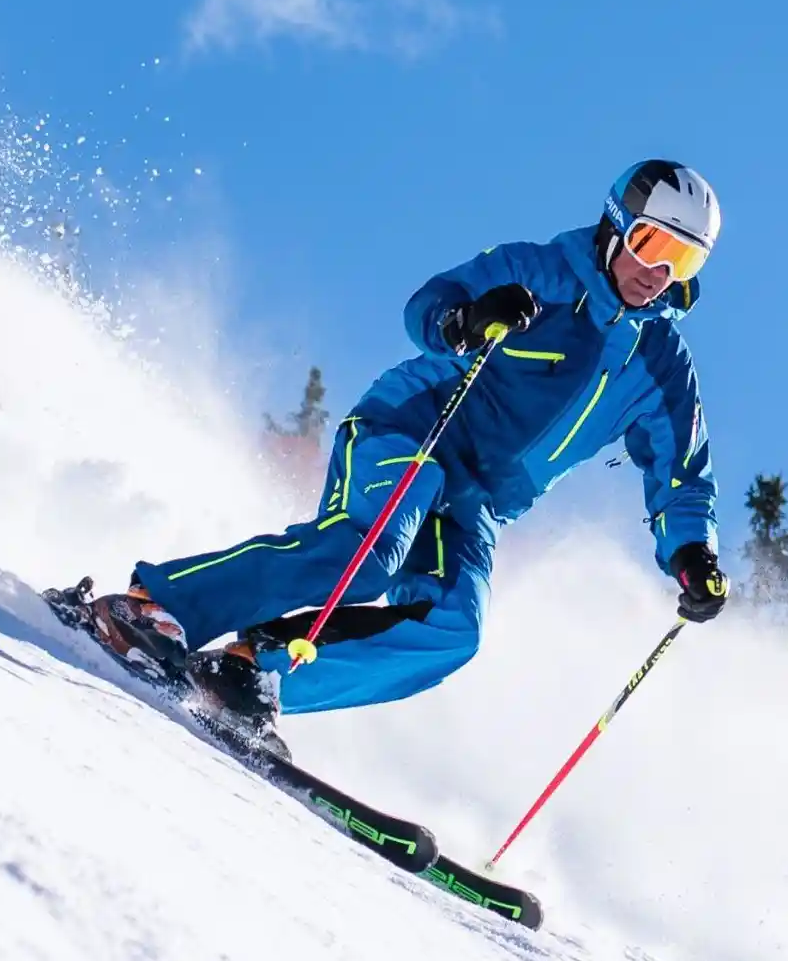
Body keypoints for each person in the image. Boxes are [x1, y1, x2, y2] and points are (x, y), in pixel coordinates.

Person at [72, 159, 730, 753]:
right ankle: (154, 607)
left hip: (476, 502)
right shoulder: (541, 274)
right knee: (366, 554)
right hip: (412, 432)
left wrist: (691, 553)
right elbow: (430, 303)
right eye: (652, 244)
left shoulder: (661, 365)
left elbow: (681, 473)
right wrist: (466, 322)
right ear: (616, 224)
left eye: (684, 262)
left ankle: (249, 673)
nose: (657, 272)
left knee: (449, 632)